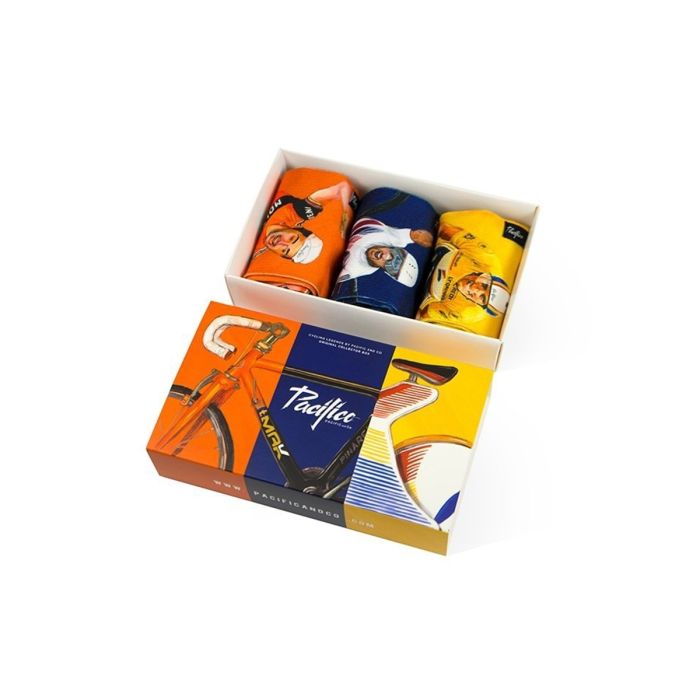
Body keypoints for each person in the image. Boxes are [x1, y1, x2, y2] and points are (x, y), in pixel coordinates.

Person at [253, 181, 357, 264]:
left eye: (285, 250)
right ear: (298, 229)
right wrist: (346, 217)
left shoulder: (256, 251)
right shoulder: (298, 212)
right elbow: (343, 187)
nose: (281, 243)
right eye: (292, 239)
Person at [336, 218, 434, 287]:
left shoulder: (354, 269)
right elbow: (416, 236)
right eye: (394, 254)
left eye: (390, 265)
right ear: (394, 248)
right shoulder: (391, 238)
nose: (385, 256)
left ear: (386, 271)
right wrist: (419, 237)